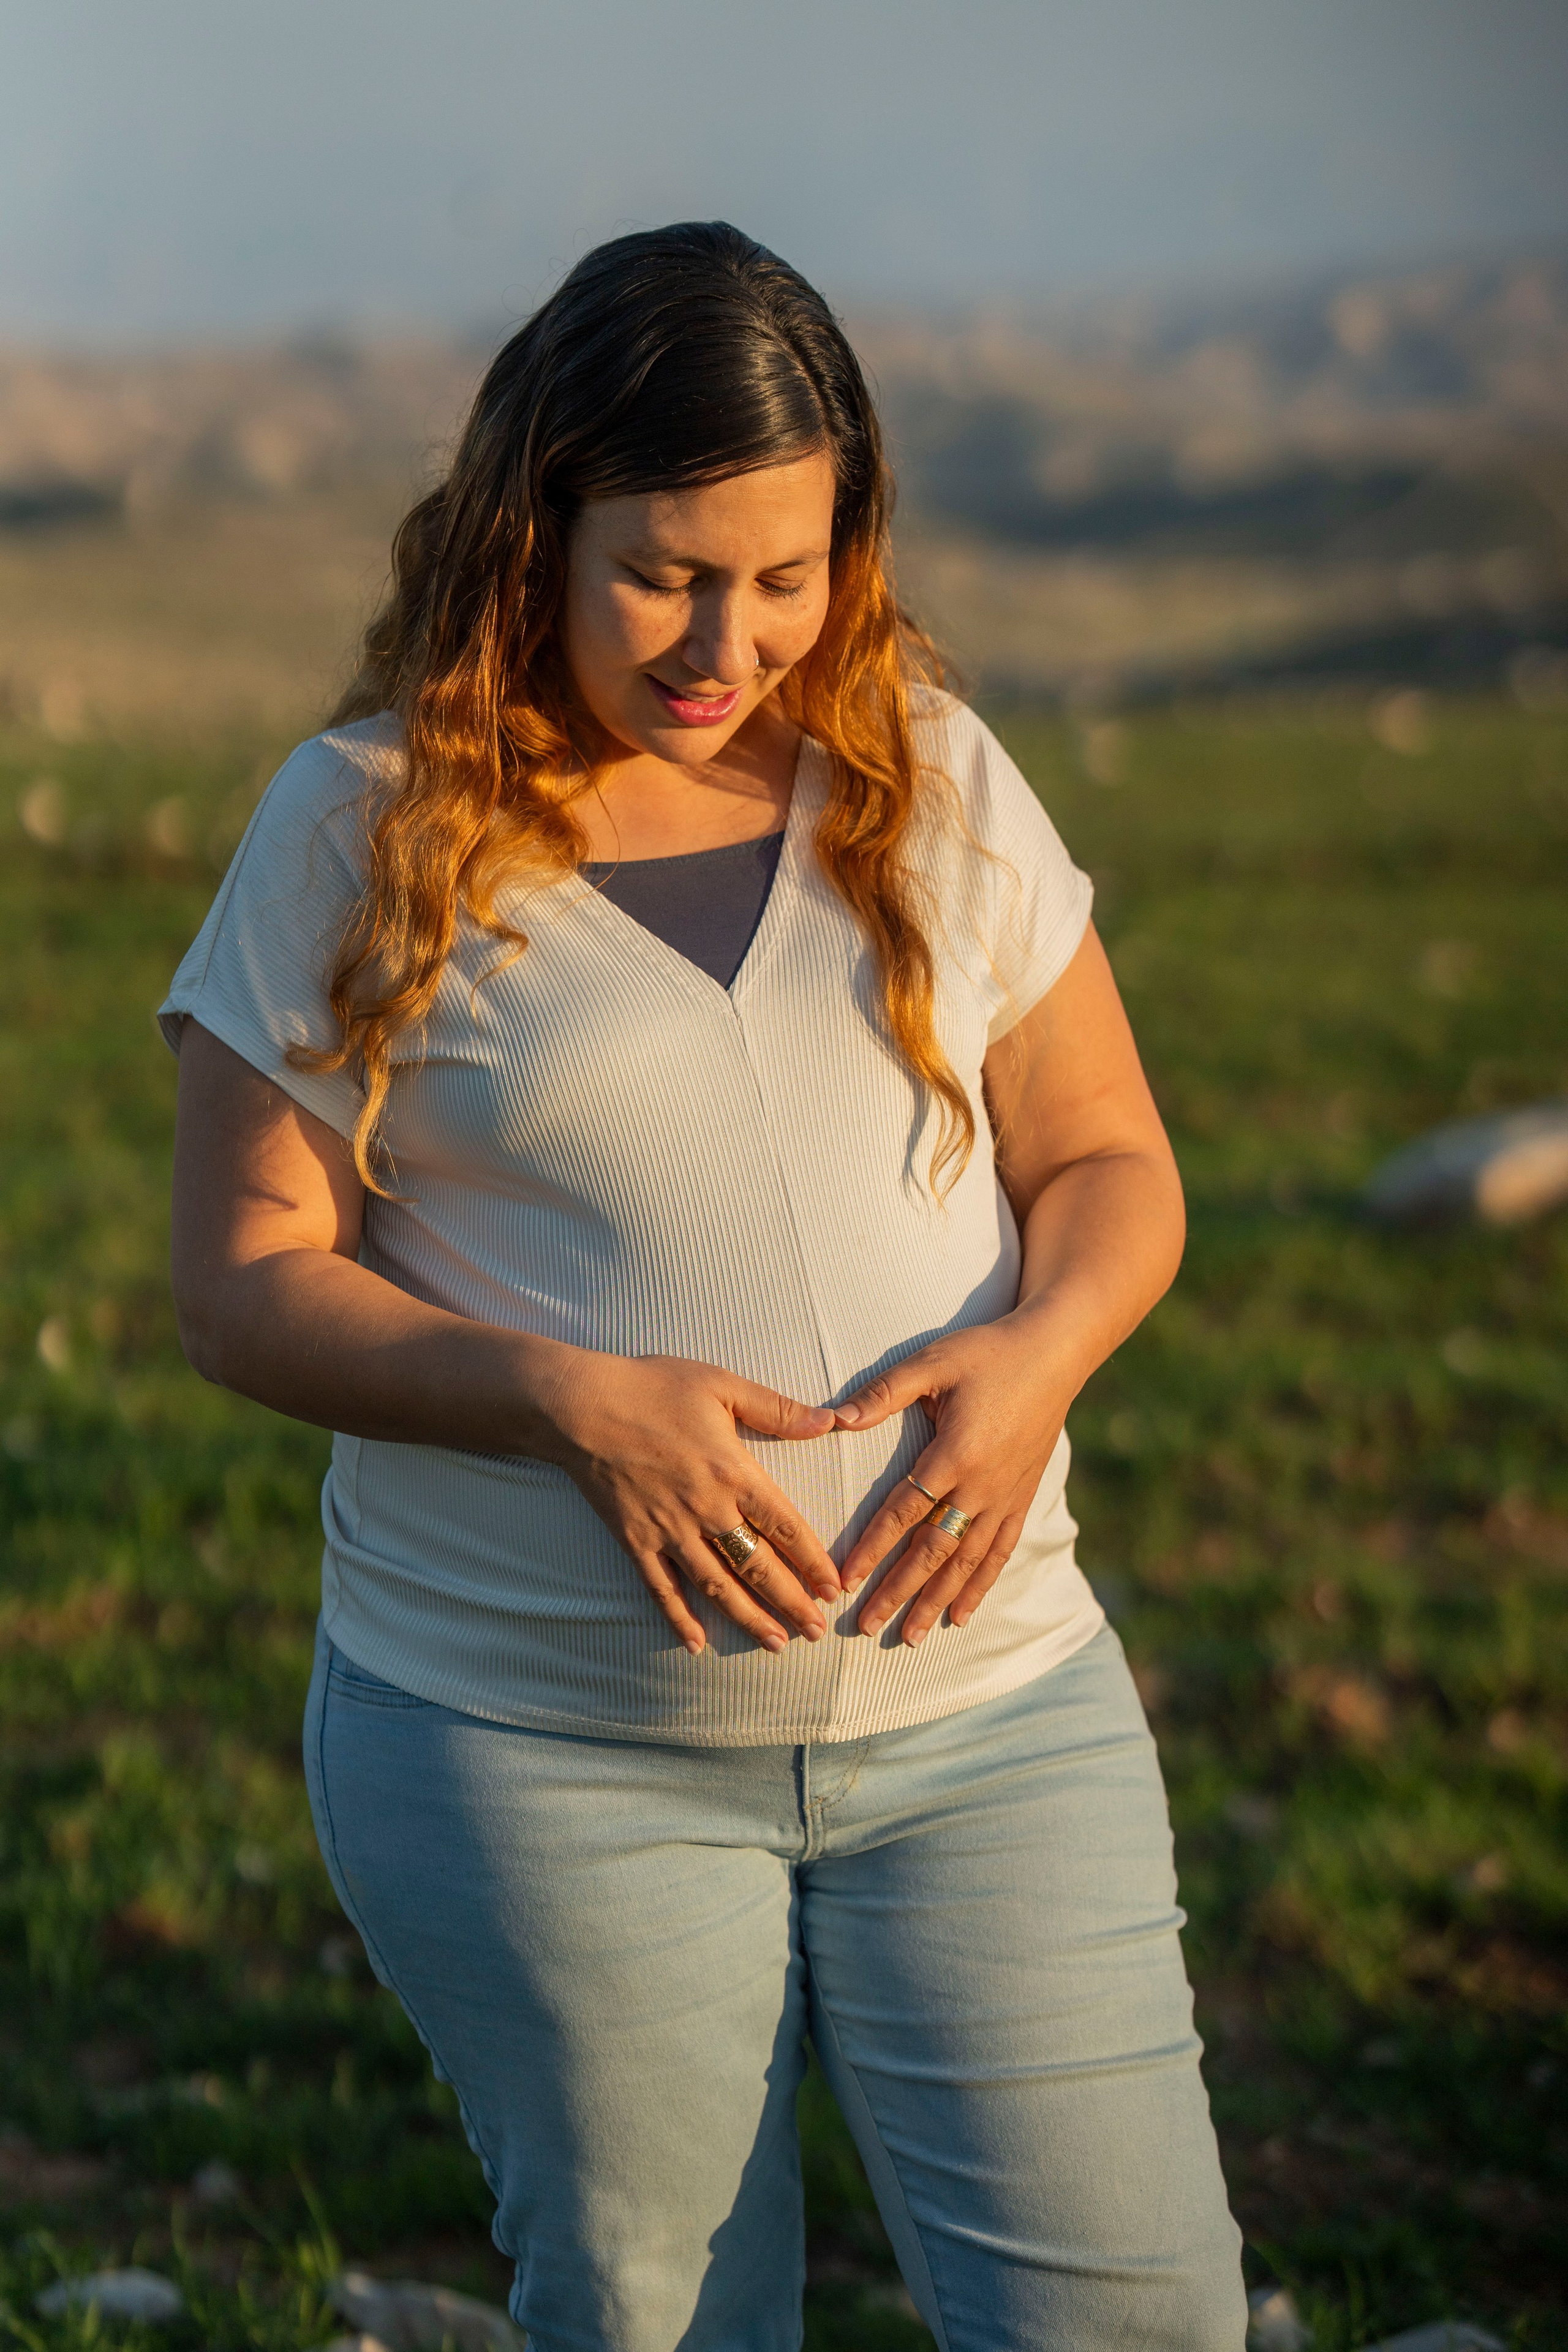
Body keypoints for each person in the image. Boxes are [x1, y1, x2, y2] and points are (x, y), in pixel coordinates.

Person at [164, 222, 1245, 2352]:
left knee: (1137, 2319)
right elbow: (245, 1284)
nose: (725, 642)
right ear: (532, 519)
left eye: (786, 573)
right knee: (670, 2320)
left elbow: (1113, 1162)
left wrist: (1043, 1355)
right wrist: (573, 1401)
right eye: (665, 570)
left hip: (993, 1716)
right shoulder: (357, 826)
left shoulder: (929, 771)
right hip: (547, 1746)